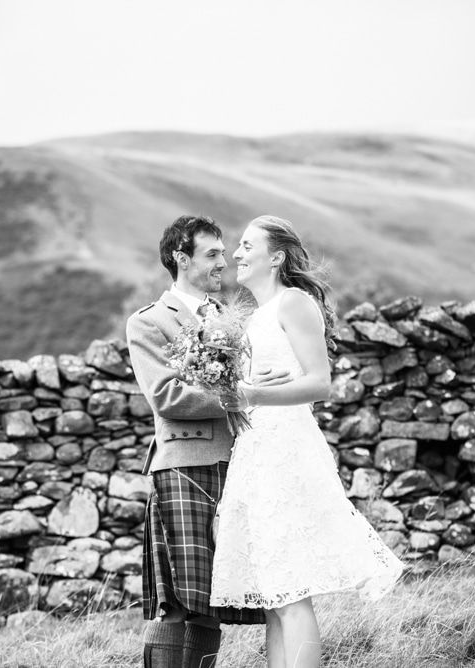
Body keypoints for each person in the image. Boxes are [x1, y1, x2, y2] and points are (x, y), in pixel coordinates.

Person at [213, 215, 405, 668]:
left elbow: (321, 383)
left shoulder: (294, 302)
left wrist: (252, 395)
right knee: (275, 596)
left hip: (286, 451)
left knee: (291, 589)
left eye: (247, 246)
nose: (236, 254)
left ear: (276, 257)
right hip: (257, 450)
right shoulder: (257, 315)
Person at [126, 215, 290, 668]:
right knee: (178, 602)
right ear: (181, 258)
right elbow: (166, 395)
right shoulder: (149, 322)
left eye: (224, 252)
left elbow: (256, 379)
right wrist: (243, 395)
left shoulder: (235, 318)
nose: (224, 261)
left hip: (239, 464)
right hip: (185, 463)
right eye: (212, 253)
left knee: (211, 602)